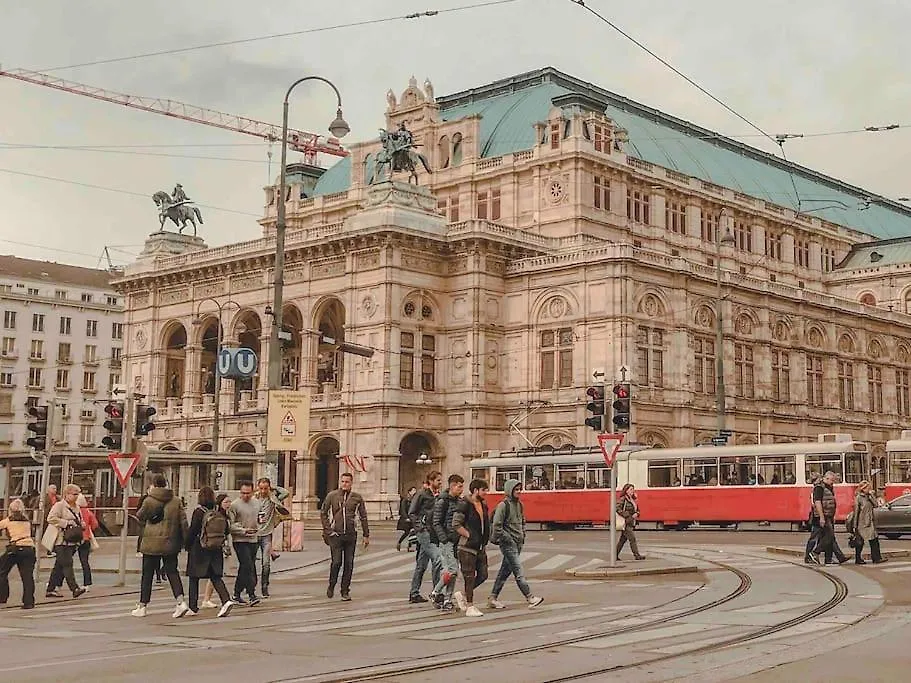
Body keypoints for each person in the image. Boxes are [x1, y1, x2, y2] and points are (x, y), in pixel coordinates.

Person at [132, 474, 189, 618]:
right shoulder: (176, 501)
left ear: (153, 485)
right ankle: (181, 602)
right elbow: (183, 523)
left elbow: (139, 516)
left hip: (151, 543)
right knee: (172, 572)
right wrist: (185, 542)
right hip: (171, 542)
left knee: (147, 575)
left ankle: (143, 606)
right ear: (166, 484)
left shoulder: (149, 500)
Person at [488, 479, 543, 609]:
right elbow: (497, 525)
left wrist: (523, 534)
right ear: (510, 490)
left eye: (519, 489)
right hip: (508, 544)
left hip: (517, 542)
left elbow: (522, 520)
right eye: (516, 489)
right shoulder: (503, 505)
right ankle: (530, 597)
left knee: (504, 572)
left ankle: (493, 597)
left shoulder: (519, 505)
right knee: (518, 571)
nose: (518, 492)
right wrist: (506, 538)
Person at [185, 486, 235, 617]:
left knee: (193, 577)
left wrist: (186, 545)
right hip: (216, 548)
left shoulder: (199, 512)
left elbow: (193, 531)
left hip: (200, 548)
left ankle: (193, 606)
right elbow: (226, 531)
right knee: (215, 577)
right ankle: (226, 600)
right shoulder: (217, 512)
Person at [320, 472, 369, 601]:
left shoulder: (357, 498)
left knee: (349, 563)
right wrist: (328, 530)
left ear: (351, 483)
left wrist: (366, 534)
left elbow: (363, 516)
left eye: (347, 482)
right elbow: (323, 513)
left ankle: (345, 590)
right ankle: (331, 585)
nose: (344, 484)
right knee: (336, 562)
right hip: (335, 534)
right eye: (342, 481)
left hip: (351, 535)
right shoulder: (332, 496)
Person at [452, 479, 490, 617]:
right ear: (475, 490)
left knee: (483, 575)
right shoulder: (464, 504)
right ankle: (470, 605)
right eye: (484, 490)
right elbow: (456, 524)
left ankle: (462, 594)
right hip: (467, 547)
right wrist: (469, 535)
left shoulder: (483, 504)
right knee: (469, 576)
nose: (486, 492)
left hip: (480, 546)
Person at [45, 484, 86, 599]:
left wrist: (81, 524)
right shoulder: (59, 506)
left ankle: (51, 589)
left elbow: (79, 519)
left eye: (78, 494)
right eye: (74, 494)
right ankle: (75, 588)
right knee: (67, 564)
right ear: (67, 494)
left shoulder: (76, 507)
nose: (77, 497)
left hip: (72, 541)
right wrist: (66, 522)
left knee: (59, 565)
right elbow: (50, 518)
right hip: (61, 540)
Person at [431, 474, 465, 612]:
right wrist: (443, 538)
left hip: (456, 540)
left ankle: (447, 600)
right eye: (459, 486)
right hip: (447, 540)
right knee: (452, 570)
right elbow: (436, 522)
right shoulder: (442, 501)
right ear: (452, 486)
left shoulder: (459, 501)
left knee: (453, 572)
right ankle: (435, 593)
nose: (461, 489)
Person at [408, 471, 442, 604]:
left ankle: (414, 593)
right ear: (431, 481)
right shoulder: (422, 494)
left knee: (421, 564)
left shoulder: (438, 495)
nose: (440, 483)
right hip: (425, 532)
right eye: (438, 480)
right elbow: (412, 512)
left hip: (434, 532)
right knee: (437, 559)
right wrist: (419, 527)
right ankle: (437, 592)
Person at [254, 477, 290, 599]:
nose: (263, 491)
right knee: (251, 563)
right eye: (261, 488)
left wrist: (274, 488)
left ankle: (265, 586)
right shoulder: (254, 499)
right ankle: (251, 586)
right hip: (254, 534)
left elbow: (286, 493)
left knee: (266, 563)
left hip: (267, 534)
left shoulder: (272, 499)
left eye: (266, 488)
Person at [228, 481, 261, 606]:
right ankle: (251, 594)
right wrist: (243, 530)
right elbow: (230, 525)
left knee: (245, 567)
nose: (245, 495)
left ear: (252, 492)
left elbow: (260, 518)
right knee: (247, 566)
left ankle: (236, 593)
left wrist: (259, 525)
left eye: (248, 493)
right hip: (240, 540)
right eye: (243, 493)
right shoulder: (234, 505)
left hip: (253, 539)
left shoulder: (257, 503)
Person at [0, 498, 37, 609]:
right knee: (27, 577)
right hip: (29, 548)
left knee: (2, 571)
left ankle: (2, 596)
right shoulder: (27, 521)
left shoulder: (8, 520)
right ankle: (29, 602)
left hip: (15, 548)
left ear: (10, 510)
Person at [809, 470, 848, 565]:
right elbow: (818, 502)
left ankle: (830, 559)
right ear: (826, 478)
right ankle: (814, 553)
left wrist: (832, 516)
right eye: (832, 480)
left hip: (829, 515)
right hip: (823, 515)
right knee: (829, 536)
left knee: (829, 537)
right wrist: (821, 517)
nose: (833, 482)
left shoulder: (828, 487)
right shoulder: (819, 487)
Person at [201, 493, 233, 609]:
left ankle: (207, 599)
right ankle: (208, 599)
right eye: (226, 502)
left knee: (214, 574)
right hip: (216, 547)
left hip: (222, 546)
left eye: (229, 502)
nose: (228, 504)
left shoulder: (226, 515)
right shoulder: (217, 516)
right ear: (219, 503)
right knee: (215, 574)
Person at [852, 480, 887, 565]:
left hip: (870, 522)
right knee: (860, 541)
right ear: (863, 489)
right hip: (862, 522)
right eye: (868, 488)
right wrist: (854, 525)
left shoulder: (869, 497)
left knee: (874, 540)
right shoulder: (859, 498)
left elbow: (876, 505)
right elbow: (856, 512)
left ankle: (876, 558)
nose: (869, 489)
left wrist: (871, 496)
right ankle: (858, 558)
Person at [75, 494, 99, 591]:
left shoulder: (75, 511)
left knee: (66, 562)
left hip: (75, 539)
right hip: (86, 539)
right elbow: (95, 525)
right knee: (84, 562)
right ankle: (87, 584)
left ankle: (58, 583)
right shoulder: (88, 512)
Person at [616, 483, 646, 561]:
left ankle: (614, 555)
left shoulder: (633, 500)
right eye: (631, 489)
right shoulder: (623, 499)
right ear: (626, 491)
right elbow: (617, 509)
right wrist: (628, 515)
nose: (632, 491)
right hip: (626, 522)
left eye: (633, 489)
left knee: (622, 540)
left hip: (631, 522)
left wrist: (637, 514)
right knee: (632, 539)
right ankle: (637, 555)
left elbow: (637, 509)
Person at [396, 486, 417, 551]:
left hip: (411, 518)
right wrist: (406, 518)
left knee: (413, 532)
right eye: (413, 490)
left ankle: (409, 546)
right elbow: (403, 510)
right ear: (409, 492)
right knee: (407, 532)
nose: (414, 492)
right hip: (405, 519)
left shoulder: (414, 499)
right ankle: (399, 543)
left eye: (415, 491)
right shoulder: (405, 500)